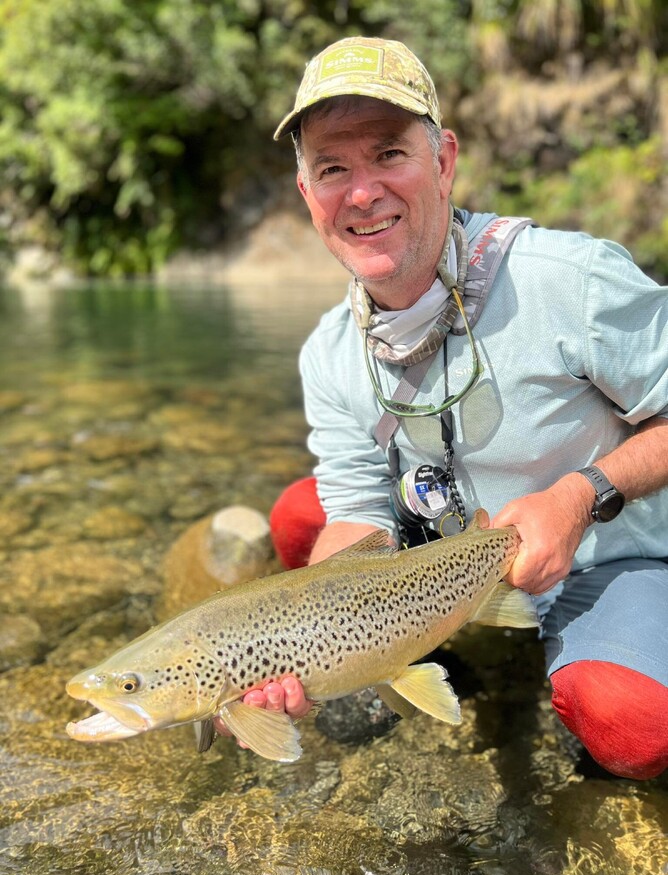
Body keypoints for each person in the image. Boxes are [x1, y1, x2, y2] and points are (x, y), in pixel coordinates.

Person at [214, 35, 668, 779]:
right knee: (303, 518)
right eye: (332, 168)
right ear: (307, 195)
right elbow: (358, 519)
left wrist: (586, 494)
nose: (362, 193)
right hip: (450, 563)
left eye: (389, 154)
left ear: (445, 161)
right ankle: (438, 657)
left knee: (632, 722)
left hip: (605, 554)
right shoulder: (329, 353)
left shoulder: (571, 280)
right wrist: (295, 651)